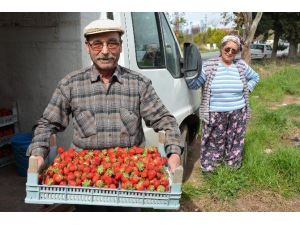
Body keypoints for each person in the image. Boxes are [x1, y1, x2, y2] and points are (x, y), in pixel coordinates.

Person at [27, 19, 182, 191]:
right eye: (97, 45)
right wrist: (38, 154)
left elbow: (165, 120)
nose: (106, 51)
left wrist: (174, 153)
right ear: (88, 47)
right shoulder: (70, 84)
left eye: (112, 44)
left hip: (130, 179)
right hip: (83, 176)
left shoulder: (139, 84)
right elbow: (47, 124)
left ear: (121, 46)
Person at [185, 34, 260, 173]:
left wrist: (248, 88)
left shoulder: (241, 65)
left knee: (235, 140)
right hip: (214, 112)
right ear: (221, 48)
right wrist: (189, 73)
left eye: (234, 50)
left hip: (238, 111)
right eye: (227, 49)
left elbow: (255, 77)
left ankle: (232, 167)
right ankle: (210, 169)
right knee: (213, 141)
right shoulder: (209, 65)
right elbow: (195, 85)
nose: (230, 52)